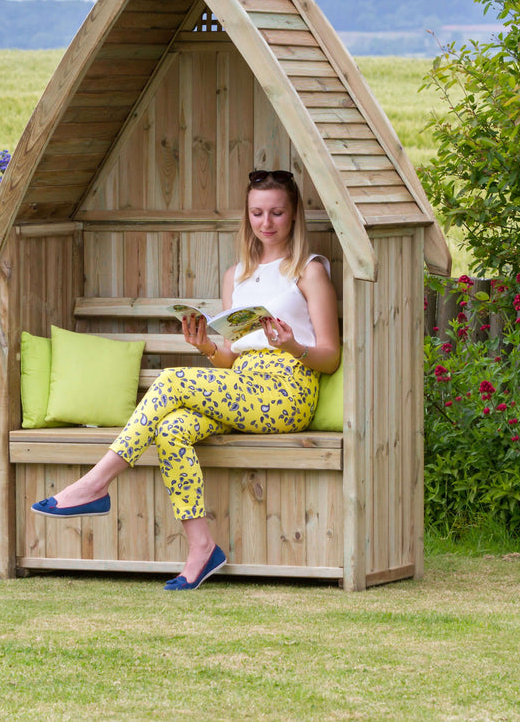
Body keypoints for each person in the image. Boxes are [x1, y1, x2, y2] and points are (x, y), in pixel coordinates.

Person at [31, 169, 342, 590]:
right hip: (244, 388)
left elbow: (330, 356)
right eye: (256, 213)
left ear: (294, 215)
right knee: (172, 429)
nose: (266, 223)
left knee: (174, 379)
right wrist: (207, 347)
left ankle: (94, 483)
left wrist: (290, 346)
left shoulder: (308, 271)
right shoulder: (238, 275)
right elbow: (231, 361)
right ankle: (202, 548)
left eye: (276, 213)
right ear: (246, 216)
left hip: (288, 390)